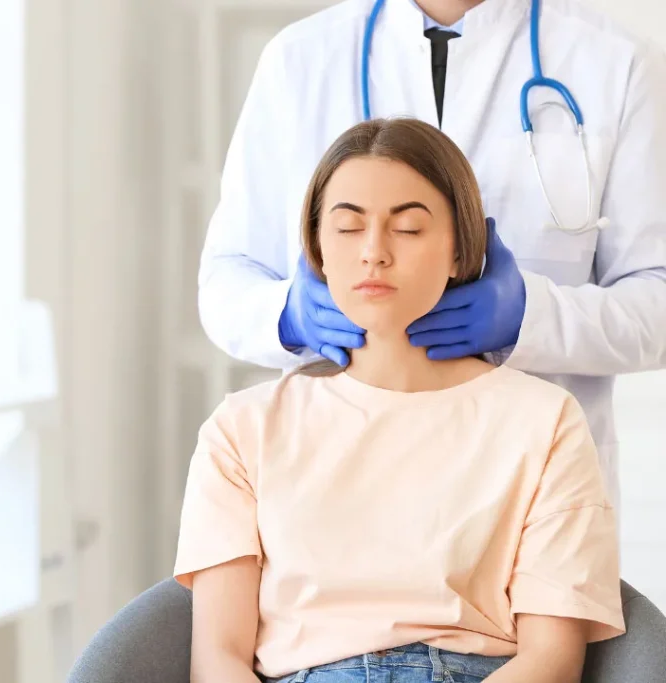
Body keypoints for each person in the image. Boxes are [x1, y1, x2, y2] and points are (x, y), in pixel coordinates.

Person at [175, 118, 624, 683]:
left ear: (463, 252)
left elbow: (552, 660)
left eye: (408, 229)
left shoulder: (545, 421)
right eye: (345, 227)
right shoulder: (241, 431)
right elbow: (217, 661)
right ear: (315, 249)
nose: (374, 253)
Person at [197, 0, 666, 507]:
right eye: (350, 225)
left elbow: (656, 297)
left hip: (527, 488)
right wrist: (288, 315)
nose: (376, 251)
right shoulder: (300, 59)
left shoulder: (614, 62)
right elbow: (226, 281)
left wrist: (533, 318)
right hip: (333, 474)